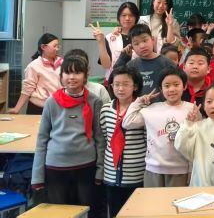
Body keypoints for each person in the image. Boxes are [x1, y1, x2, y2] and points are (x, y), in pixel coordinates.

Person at [31, 55, 105, 215]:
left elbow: (100, 139)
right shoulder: (51, 102)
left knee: (86, 211)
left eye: (77, 72)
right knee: (58, 212)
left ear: (85, 76)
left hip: (86, 166)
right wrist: (37, 176)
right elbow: (42, 140)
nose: (72, 77)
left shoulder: (94, 101)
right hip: (55, 167)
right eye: (67, 73)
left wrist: (100, 170)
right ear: (61, 76)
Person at [122, 67, 197, 187]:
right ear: (161, 89)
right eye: (166, 86)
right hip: (153, 168)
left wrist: (191, 169)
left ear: (184, 86)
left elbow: (195, 142)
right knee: (152, 199)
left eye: (176, 84)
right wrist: (138, 102)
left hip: (181, 169)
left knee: (176, 199)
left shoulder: (192, 109)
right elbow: (127, 122)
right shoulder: (152, 109)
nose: (171, 89)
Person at [100, 66, 146, 218]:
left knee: (135, 213)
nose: (120, 88)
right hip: (111, 173)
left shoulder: (143, 110)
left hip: (136, 173)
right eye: (116, 84)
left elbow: (147, 141)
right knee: (114, 212)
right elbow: (105, 138)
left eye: (126, 84)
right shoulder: (106, 109)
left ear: (135, 86)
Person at [114, 24, 176, 95]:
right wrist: (123, 58)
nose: (142, 46)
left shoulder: (166, 63)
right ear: (132, 47)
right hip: (138, 102)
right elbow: (115, 78)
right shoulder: (131, 66)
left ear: (152, 39)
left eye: (145, 40)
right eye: (136, 43)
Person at [10, 33, 62, 115]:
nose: (57, 49)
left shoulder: (62, 63)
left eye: (58, 46)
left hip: (58, 106)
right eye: (54, 46)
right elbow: (27, 89)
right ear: (43, 47)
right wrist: (17, 108)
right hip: (39, 108)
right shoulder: (34, 66)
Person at [92, 2, 140, 82]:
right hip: (114, 82)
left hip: (136, 81)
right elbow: (106, 65)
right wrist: (101, 41)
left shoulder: (141, 37)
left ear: (136, 18)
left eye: (131, 15)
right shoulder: (110, 38)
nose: (127, 18)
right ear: (118, 18)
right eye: (124, 15)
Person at [181, 47, 212, 113]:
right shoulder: (177, 87)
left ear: (208, 69)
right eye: (191, 63)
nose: (195, 66)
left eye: (200, 63)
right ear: (184, 67)